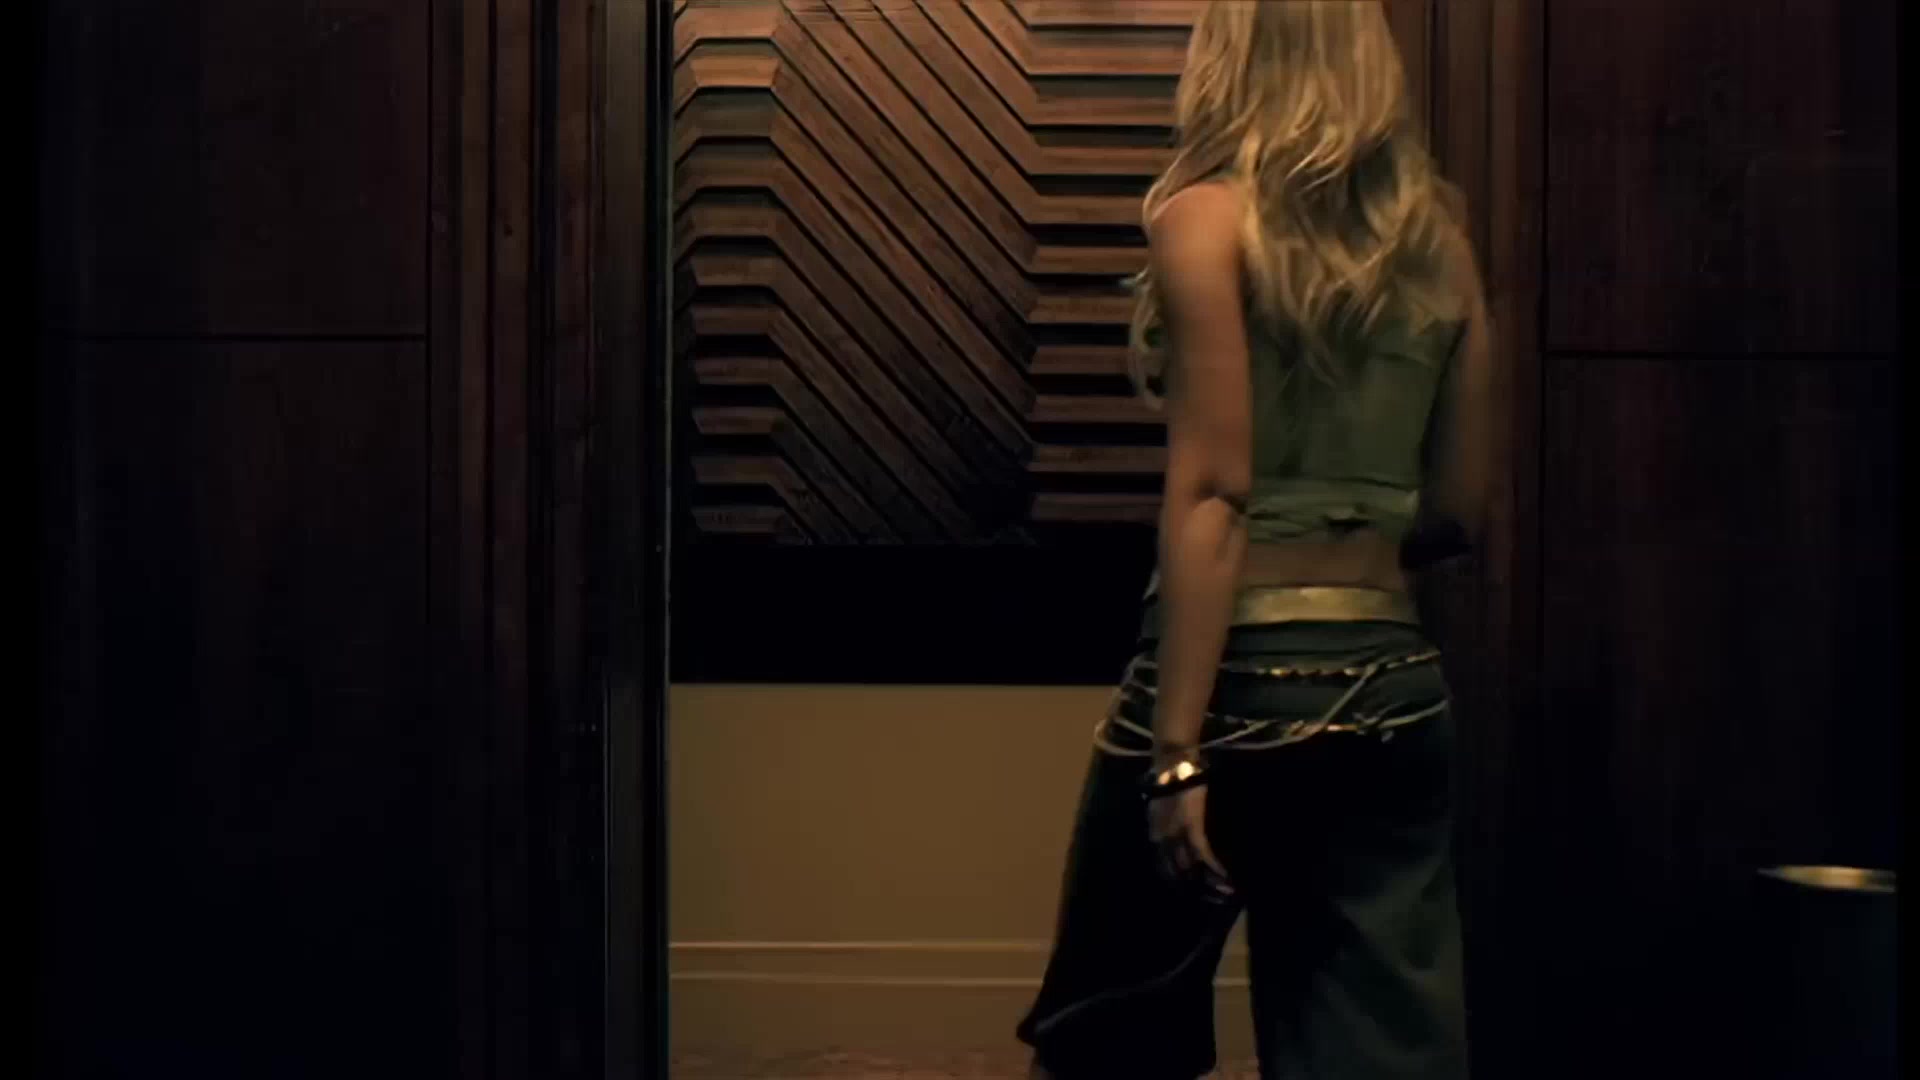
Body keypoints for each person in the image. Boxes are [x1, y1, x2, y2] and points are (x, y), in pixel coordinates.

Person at [1015, 3, 1494, 1078]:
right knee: (1377, 1048)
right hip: (1391, 687)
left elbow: (1216, 494)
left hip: (1231, 689)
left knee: (1110, 1031)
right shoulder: (1443, 244)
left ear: (1229, 54)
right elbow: (1460, 506)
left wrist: (1177, 753)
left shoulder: (1201, 221)